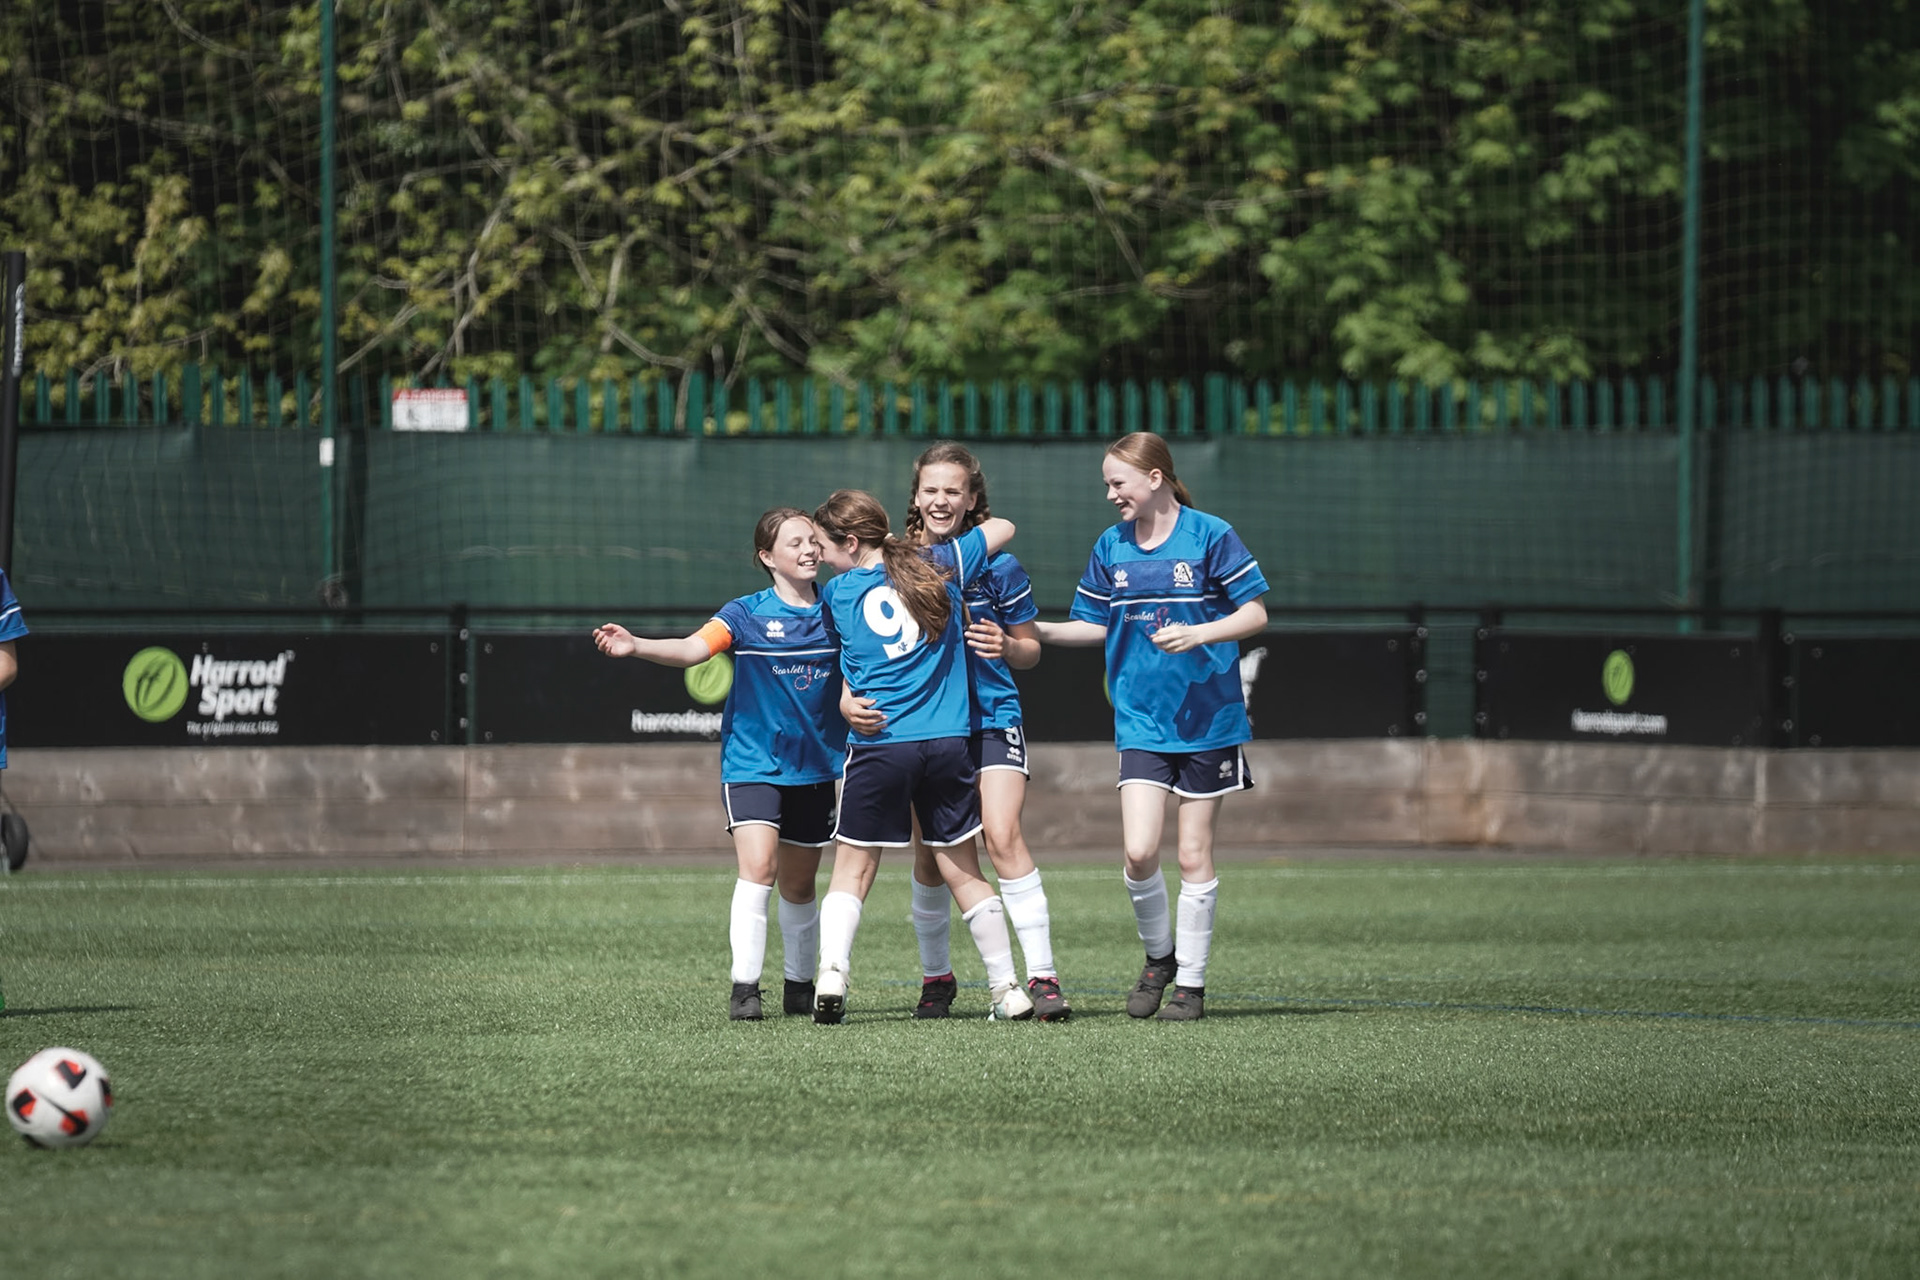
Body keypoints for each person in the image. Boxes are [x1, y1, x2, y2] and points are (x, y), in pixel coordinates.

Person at [1034, 433, 1269, 1022]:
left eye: (1118, 482)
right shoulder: (1111, 545)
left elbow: (1254, 613)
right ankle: (1160, 957)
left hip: (1209, 722)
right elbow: (1094, 624)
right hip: (1140, 720)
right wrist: (1036, 631)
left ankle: (1191, 985)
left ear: (1155, 477)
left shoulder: (1209, 534)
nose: (1110, 494)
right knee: (1139, 853)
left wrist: (1200, 632)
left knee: (1192, 854)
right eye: (1107, 484)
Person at [843, 443, 1069, 1021]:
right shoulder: (894, 562)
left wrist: (1008, 645)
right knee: (931, 857)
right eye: (931, 490)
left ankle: (1043, 977)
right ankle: (937, 978)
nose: (941, 501)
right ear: (915, 496)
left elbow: (1030, 651)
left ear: (972, 499)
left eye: (953, 491)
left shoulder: (998, 565)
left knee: (1003, 835)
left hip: (990, 719)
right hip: (923, 725)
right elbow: (857, 643)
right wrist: (846, 697)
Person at [593, 508, 843, 1022]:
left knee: (800, 886)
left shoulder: (838, 610)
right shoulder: (745, 613)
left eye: (812, 540)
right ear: (767, 556)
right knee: (759, 869)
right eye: (795, 543)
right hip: (751, 765)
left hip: (817, 768)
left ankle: (799, 986)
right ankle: (745, 990)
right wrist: (635, 645)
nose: (808, 550)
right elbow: (692, 649)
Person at [809, 488, 1031, 1025]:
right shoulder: (939, 565)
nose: (819, 555)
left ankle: (832, 973)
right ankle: (1007, 989)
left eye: (823, 545)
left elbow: (849, 658)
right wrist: (929, 550)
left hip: (881, 743)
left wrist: (844, 699)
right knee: (964, 871)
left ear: (851, 542)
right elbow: (1003, 527)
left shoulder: (838, 593)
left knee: (852, 869)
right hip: (947, 744)